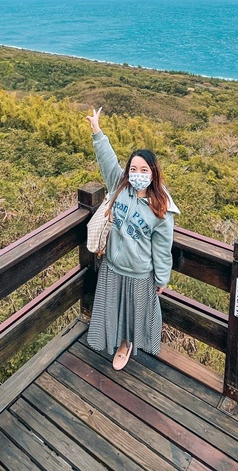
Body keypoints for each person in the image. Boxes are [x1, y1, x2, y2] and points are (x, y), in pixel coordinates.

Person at [85, 107, 179, 370]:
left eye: (144, 169)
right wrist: (97, 132)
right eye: (133, 168)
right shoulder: (121, 187)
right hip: (113, 266)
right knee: (112, 307)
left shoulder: (161, 207)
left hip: (139, 273)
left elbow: (162, 249)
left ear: (153, 173)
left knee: (132, 315)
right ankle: (110, 339)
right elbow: (107, 161)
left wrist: (162, 278)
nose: (138, 173)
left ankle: (126, 345)